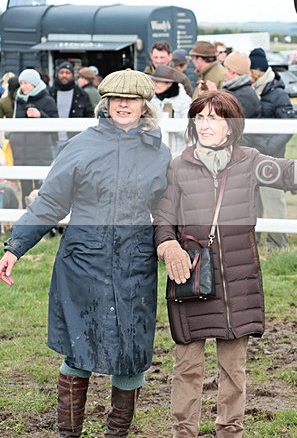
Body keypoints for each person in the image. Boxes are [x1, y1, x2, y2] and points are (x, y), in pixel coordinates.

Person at [0, 70, 172, 437]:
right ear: (106, 102)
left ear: (145, 104)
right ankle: (69, 434)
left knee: (131, 353)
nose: (124, 105)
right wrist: (15, 247)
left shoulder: (159, 153)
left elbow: (170, 209)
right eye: (116, 98)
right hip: (83, 262)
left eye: (132, 99)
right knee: (79, 350)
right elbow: (49, 203)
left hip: (135, 263)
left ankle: (116, 433)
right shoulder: (80, 146)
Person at [153, 91, 297, 437]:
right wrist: (168, 244)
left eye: (214, 118)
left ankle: (229, 430)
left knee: (233, 368)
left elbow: (292, 175)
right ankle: (183, 432)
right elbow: (163, 217)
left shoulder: (250, 161)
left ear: (231, 126)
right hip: (192, 277)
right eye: (199, 118)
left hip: (238, 280)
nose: (205, 125)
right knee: (187, 365)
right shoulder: (178, 166)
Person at [249, 47, 295, 251]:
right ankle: (253, 240)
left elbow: (288, 128)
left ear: (255, 70)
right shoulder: (251, 91)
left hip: (272, 157)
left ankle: (278, 243)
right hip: (253, 156)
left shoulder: (278, 94)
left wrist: (267, 148)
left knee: (274, 200)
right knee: (253, 201)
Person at [9, 69, 59, 206]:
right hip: (21, 152)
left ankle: (41, 218)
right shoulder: (19, 100)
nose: (23, 87)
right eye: (21, 83)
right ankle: (25, 219)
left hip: (40, 152)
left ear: (35, 84)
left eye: (26, 83)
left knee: (41, 188)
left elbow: (56, 126)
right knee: (25, 188)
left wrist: (40, 116)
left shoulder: (48, 101)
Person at [49, 60, 95, 155]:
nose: (64, 75)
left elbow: (90, 116)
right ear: (57, 74)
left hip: (75, 141)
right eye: (61, 72)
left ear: (72, 75)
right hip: (53, 140)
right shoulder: (49, 93)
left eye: (67, 72)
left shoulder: (82, 95)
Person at [149, 64, 192, 155]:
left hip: (177, 152)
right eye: (154, 81)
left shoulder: (184, 101)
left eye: (158, 81)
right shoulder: (151, 99)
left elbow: (190, 130)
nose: (155, 84)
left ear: (169, 83)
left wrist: (168, 125)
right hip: (154, 152)